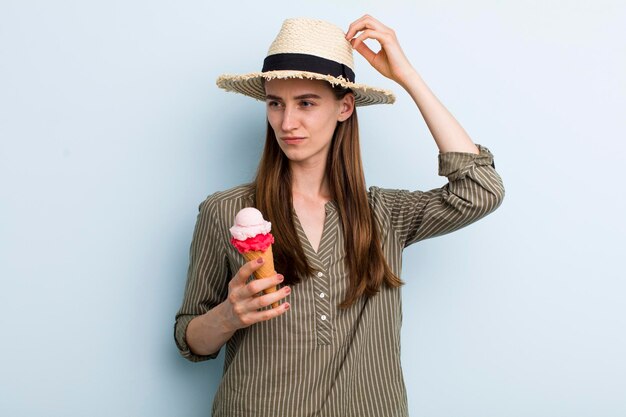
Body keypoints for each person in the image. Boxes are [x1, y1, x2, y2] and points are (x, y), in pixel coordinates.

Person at [174, 15, 504, 417]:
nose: (286, 122)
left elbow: (480, 190)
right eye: (275, 103)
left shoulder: (386, 215)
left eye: (306, 103)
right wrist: (228, 316)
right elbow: (190, 341)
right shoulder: (224, 211)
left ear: (344, 107)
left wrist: (408, 77)